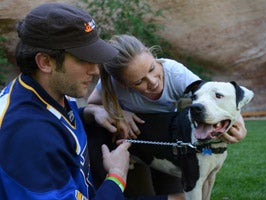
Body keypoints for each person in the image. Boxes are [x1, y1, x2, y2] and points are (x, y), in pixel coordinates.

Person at [0, 3, 169, 200]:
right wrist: (116, 176)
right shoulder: (28, 137)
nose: (96, 70)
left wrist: (89, 113)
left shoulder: (49, 91)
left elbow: (57, 123)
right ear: (46, 62)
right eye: (83, 59)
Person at [85, 34, 247, 197]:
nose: (153, 81)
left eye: (152, 68)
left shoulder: (175, 73)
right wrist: (118, 113)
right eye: (139, 81)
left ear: (153, 55)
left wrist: (240, 126)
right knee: (144, 194)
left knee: (181, 196)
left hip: (166, 139)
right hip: (130, 143)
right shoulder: (112, 83)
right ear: (122, 83)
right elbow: (91, 105)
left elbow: (212, 98)